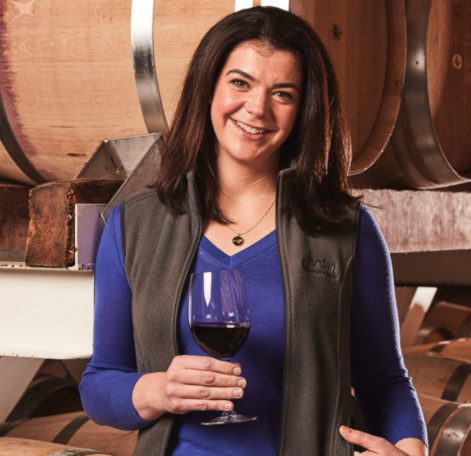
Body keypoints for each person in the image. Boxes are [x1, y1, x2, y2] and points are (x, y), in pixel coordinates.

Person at [79, 6, 428, 456]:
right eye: (240, 82)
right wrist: (158, 390)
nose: (257, 108)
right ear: (209, 87)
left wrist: (411, 449)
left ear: (304, 109)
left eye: (282, 93)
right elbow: (100, 382)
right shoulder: (135, 225)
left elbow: (384, 379)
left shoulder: (346, 232)